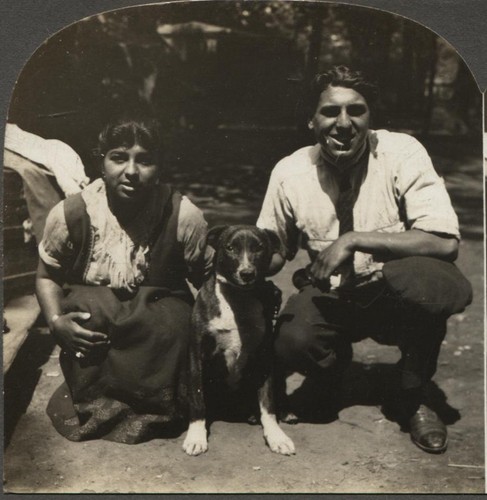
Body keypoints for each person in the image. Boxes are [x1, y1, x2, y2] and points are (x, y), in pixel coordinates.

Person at [257, 66, 472, 454]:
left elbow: (444, 241)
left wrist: (354, 240)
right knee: (292, 339)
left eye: (355, 110)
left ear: (370, 117)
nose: (343, 123)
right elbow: (274, 249)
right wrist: (239, 258)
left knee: (432, 284)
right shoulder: (290, 172)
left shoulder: (402, 153)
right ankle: (330, 374)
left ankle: (413, 395)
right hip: (335, 296)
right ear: (311, 120)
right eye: (330, 111)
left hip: (394, 295)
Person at [36, 112, 213, 444]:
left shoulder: (183, 215)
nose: (131, 171)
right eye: (119, 158)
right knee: (87, 312)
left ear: (159, 167)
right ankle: (94, 400)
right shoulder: (73, 214)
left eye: (144, 160)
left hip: (158, 341)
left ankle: (165, 403)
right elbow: (47, 276)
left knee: (177, 322)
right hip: (100, 337)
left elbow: (210, 282)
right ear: (101, 163)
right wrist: (56, 321)